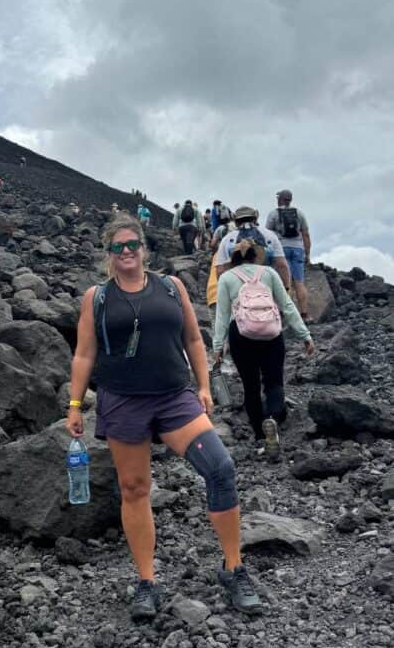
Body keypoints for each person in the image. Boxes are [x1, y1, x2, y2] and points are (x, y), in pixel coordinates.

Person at [66, 213, 264, 620]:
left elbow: (193, 337)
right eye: (117, 247)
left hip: (175, 398)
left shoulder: (171, 287)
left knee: (220, 468)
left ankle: (233, 568)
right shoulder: (96, 297)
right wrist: (74, 404)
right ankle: (146, 581)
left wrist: (204, 386)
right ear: (109, 253)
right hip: (121, 400)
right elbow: (85, 353)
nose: (126, 252)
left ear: (144, 248)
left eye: (132, 245)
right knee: (135, 489)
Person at [213, 234, 314, 457]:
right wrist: (304, 335)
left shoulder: (227, 278)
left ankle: (261, 436)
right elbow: (287, 305)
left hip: (241, 335)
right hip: (271, 335)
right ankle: (273, 419)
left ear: (234, 258)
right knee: (274, 382)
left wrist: (218, 347)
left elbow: (221, 315)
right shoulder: (269, 273)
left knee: (251, 386)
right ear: (256, 256)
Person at [265, 190, 312, 322]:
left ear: (279, 199)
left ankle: (287, 314)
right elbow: (306, 234)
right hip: (298, 249)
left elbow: (267, 235)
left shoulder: (273, 214)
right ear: (290, 200)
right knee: (299, 282)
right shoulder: (299, 213)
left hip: (281, 249)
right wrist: (307, 254)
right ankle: (304, 314)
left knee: (285, 282)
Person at [215, 206, 290, 288]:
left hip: (239, 289)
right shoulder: (270, 235)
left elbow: (220, 270)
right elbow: (282, 265)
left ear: (236, 221)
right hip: (266, 288)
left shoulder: (227, 239)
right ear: (255, 219)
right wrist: (286, 287)